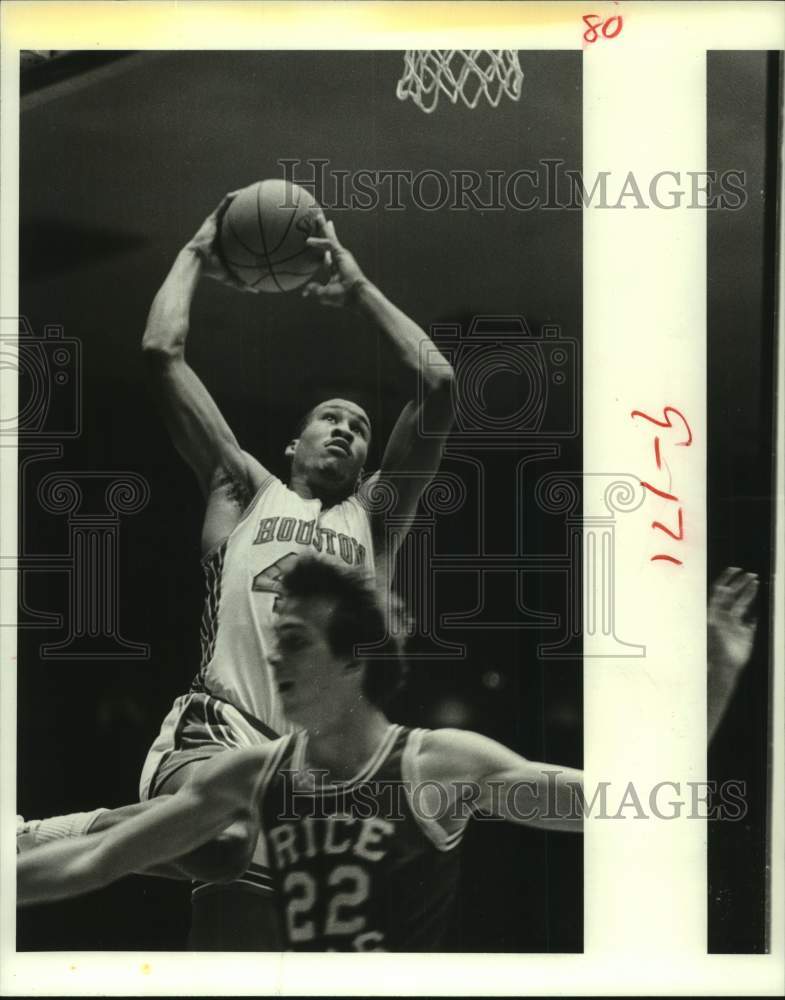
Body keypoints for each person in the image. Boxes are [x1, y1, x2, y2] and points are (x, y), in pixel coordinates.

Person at [18, 560, 759, 951]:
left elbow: (626, 812)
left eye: (296, 644)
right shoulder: (251, 773)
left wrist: (718, 675)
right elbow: (95, 862)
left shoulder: (439, 767)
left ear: (354, 660)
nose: (274, 664)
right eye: (275, 643)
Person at [137, 194, 454, 944]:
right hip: (219, 727)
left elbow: (437, 387)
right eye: (329, 418)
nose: (345, 428)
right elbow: (160, 354)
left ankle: (120, 843)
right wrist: (195, 248)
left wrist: (357, 286)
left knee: (295, 936)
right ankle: (56, 839)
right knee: (226, 840)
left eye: (359, 427)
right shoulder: (242, 488)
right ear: (292, 443)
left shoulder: (372, 520)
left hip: (314, 766)